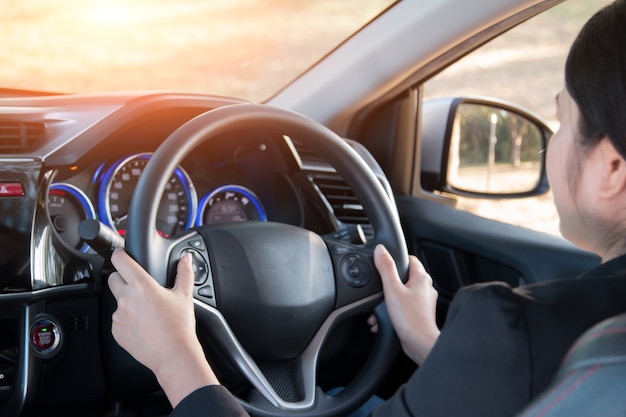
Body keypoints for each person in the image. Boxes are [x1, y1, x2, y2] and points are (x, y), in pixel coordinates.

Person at [108, 1, 626, 416]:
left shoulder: (514, 332)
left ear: (611, 169)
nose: (549, 146)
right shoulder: (573, 342)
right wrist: (428, 342)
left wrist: (176, 357)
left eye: (560, 122)